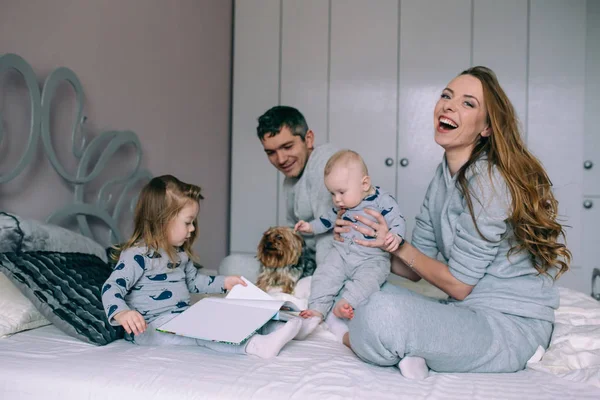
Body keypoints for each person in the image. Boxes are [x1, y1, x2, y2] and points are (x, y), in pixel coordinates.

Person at [335, 66, 571, 380]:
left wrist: (400, 246)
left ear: (486, 127)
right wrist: (373, 237)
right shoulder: (443, 176)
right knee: (363, 291)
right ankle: (409, 347)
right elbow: (414, 268)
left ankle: (373, 339)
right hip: (464, 312)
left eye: (467, 103)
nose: (449, 105)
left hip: (509, 327)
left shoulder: (487, 181)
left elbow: (459, 286)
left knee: (380, 314)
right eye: (446, 96)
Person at [101, 175, 305, 358]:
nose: (192, 229)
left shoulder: (179, 254)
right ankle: (255, 346)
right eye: (188, 222)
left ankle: (279, 326)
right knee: (204, 334)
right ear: (162, 220)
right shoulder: (137, 255)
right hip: (150, 328)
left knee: (221, 316)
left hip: (180, 318)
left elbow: (195, 281)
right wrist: (122, 313)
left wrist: (224, 282)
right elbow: (111, 288)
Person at [219, 106, 337, 282]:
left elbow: (328, 235)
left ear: (308, 139)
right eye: (271, 152)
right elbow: (293, 234)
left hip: (331, 266)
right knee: (230, 265)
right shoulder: (290, 179)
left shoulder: (324, 163)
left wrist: (323, 283)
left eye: (287, 146)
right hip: (304, 264)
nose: (281, 160)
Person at [295, 150, 405, 333]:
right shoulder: (343, 206)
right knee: (324, 273)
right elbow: (326, 220)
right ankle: (316, 308)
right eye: (332, 193)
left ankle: (346, 303)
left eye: (341, 192)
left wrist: (396, 236)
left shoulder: (382, 200)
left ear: (364, 183)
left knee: (368, 281)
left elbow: (398, 219)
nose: (337, 199)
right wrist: (310, 227)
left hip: (371, 258)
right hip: (342, 252)